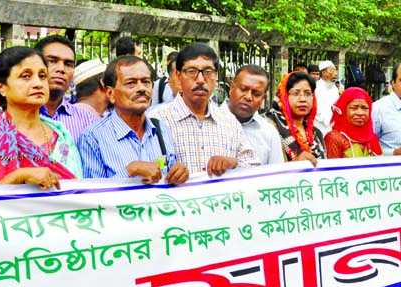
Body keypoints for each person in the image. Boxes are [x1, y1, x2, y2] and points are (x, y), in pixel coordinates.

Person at [0, 46, 83, 188]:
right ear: (1, 87)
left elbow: (79, 192)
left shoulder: (61, 135)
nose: (38, 84)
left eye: (42, 76)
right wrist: (18, 177)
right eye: (26, 76)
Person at [149, 43, 259, 176]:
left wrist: (233, 164)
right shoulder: (156, 120)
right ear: (178, 76)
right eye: (191, 72)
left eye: (208, 72)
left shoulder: (229, 122)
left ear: (216, 76)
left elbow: (253, 171)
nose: (200, 80)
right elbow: (147, 166)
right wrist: (167, 169)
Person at [78, 55, 188, 183]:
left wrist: (179, 175)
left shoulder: (161, 130)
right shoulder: (93, 138)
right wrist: (130, 170)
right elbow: (92, 195)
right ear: (110, 94)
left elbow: (170, 179)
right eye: (131, 83)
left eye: (146, 82)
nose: (142, 88)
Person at [35, 35, 99, 141]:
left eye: (68, 64)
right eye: (52, 61)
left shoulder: (87, 120)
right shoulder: (17, 117)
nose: (61, 69)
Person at [222, 64, 284, 165]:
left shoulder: (269, 133)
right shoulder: (207, 122)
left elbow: (277, 176)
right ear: (232, 88)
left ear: (263, 98)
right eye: (243, 89)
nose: (248, 97)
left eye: (256, 94)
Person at [264, 71, 324, 164]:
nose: (303, 99)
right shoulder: (268, 128)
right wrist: (295, 165)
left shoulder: (316, 134)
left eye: (308, 94)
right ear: (283, 96)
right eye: (295, 93)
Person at [324, 87, 383, 158]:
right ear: (343, 110)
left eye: (365, 108)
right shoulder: (334, 138)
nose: (360, 113)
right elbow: (332, 167)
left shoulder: (372, 138)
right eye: (354, 108)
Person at [313, 60, 340, 135]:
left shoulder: (334, 88)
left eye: (335, 71)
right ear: (324, 73)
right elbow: (318, 110)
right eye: (332, 71)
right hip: (319, 126)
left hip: (334, 127)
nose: (335, 74)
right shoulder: (317, 88)